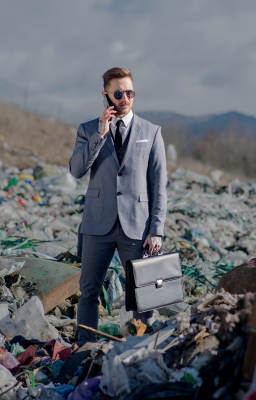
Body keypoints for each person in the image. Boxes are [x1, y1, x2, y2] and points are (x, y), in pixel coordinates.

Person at [69, 67, 168, 345]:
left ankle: (142, 346)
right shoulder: (88, 129)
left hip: (137, 225)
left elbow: (159, 186)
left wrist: (157, 230)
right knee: (88, 291)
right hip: (97, 224)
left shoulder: (152, 131)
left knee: (143, 294)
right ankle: (84, 349)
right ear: (106, 96)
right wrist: (99, 136)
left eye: (130, 92)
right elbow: (76, 170)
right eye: (118, 93)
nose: (125, 98)